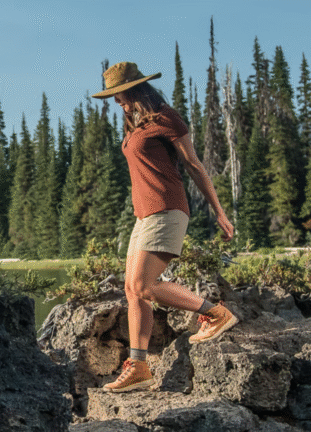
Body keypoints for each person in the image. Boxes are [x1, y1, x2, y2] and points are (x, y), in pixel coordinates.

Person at [91, 61, 239, 393]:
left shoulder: (166, 118)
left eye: (119, 95)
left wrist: (219, 211)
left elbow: (193, 164)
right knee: (132, 290)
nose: (116, 101)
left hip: (167, 210)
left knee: (144, 285)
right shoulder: (135, 123)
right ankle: (139, 368)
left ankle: (216, 313)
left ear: (135, 90)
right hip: (144, 216)